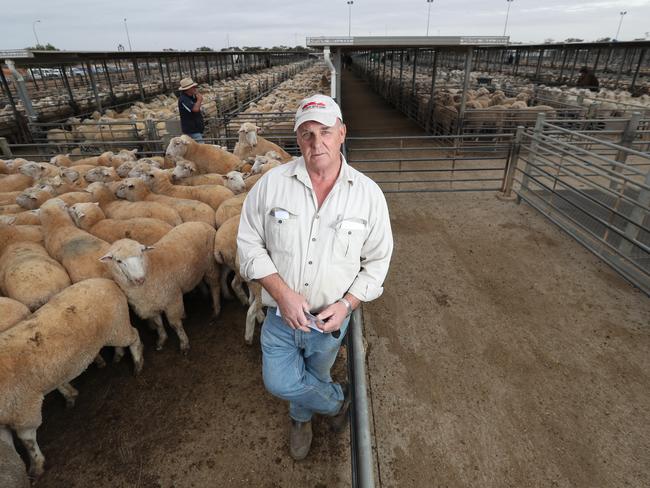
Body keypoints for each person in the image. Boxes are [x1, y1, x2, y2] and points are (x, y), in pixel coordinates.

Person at [237, 94, 393, 460]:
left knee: (315, 374)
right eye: (307, 133)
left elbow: (378, 261)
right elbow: (247, 244)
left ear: (342, 134)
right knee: (279, 381)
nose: (316, 142)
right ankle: (337, 403)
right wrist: (281, 291)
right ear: (297, 139)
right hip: (280, 317)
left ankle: (300, 417)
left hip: (330, 321)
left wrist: (347, 304)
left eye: (325, 131)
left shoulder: (368, 195)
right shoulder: (271, 185)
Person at [178, 77, 205, 142]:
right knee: (201, 149)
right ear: (188, 89)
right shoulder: (184, 99)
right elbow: (195, 109)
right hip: (192, 131)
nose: (195, 88)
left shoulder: (191, 97)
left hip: (196, 129)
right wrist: (199, 100)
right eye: (193, 87)